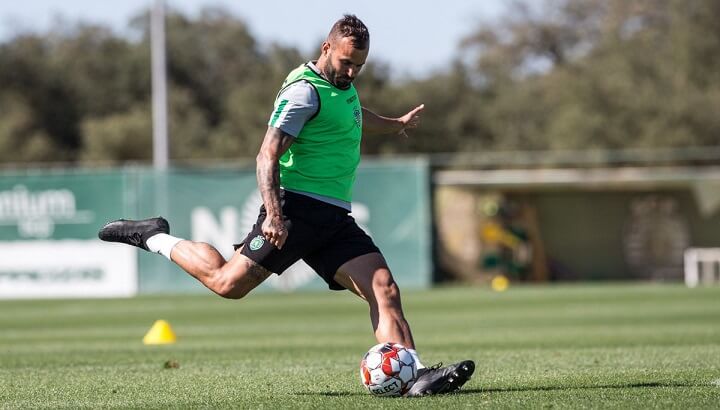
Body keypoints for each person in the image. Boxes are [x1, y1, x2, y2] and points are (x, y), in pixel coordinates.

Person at [99, 14, 474, 397]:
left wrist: (394, 123)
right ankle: (155, 237)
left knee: (385, 289)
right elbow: (266, 156)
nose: (352, 72)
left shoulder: (341, 85)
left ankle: (416, 376)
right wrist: (275, 215)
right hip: (294, 211)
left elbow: (353, 118)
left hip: (333, 218)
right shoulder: (303, 92)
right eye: (346, 63)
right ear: (327, 47)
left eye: (359, 66)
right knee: (227, 283)